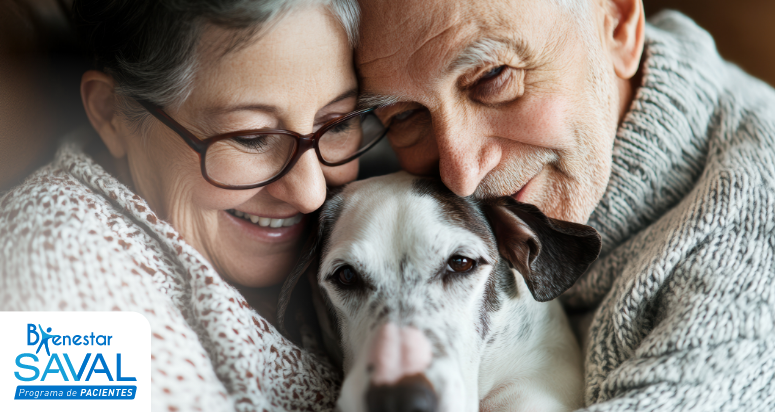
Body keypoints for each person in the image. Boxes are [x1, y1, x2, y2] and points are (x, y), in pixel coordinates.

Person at [356, 0, 775, 410]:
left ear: (617, 26)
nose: (460, 175)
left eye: (492, 76)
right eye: (405, 116)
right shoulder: (367, 178)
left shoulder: (751, 253)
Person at [0, 0, 387, 410]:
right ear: (110, 113)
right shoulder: (57, 278)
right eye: (250, 137)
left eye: (338, 123)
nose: (312, 194)